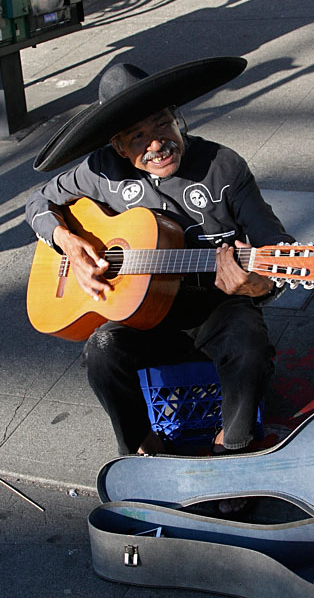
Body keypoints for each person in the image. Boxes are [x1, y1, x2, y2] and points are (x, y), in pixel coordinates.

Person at [26, 57, 295, 459]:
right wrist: (66, 241)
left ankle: (233, 445)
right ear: (117, 145)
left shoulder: (223, 165)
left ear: (177, 118)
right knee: (101, 351)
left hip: (216, 304)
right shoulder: (101, 171)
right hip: (143, 315)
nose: (156, 144)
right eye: (136, 137)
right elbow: (39, 200)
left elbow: (276, 247)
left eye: (161, 124)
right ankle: (139, 441)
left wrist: (259, 283)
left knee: (250, 345)